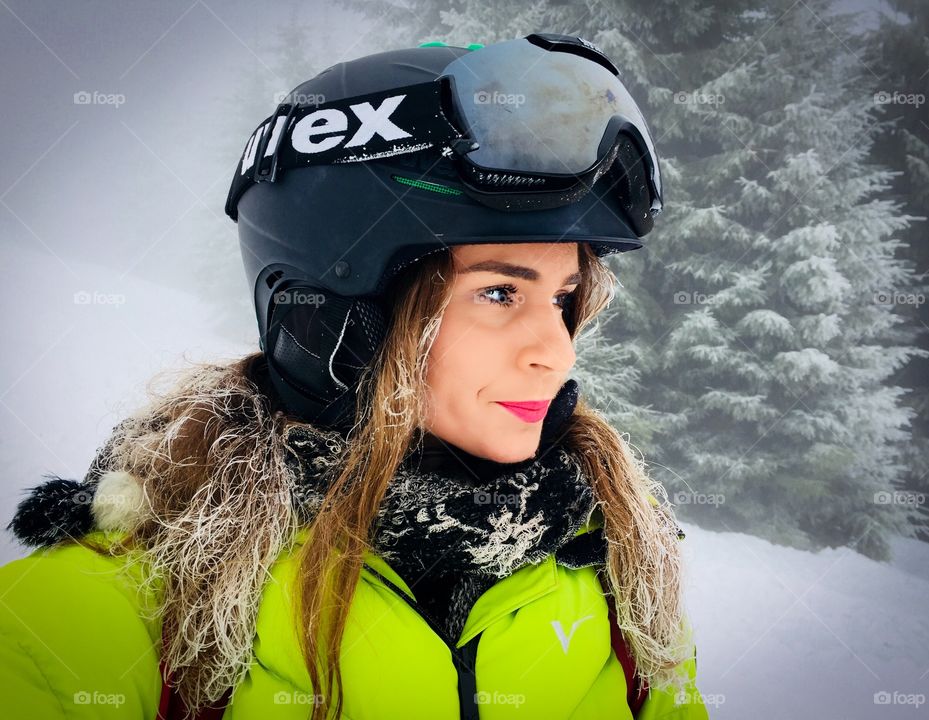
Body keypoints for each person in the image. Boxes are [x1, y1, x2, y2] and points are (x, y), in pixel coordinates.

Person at [0, 33, 709, 720]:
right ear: (338, 323)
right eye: (499, 294)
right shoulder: (101, 617)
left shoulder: (612, 567)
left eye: (562, 299)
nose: (557, 354)